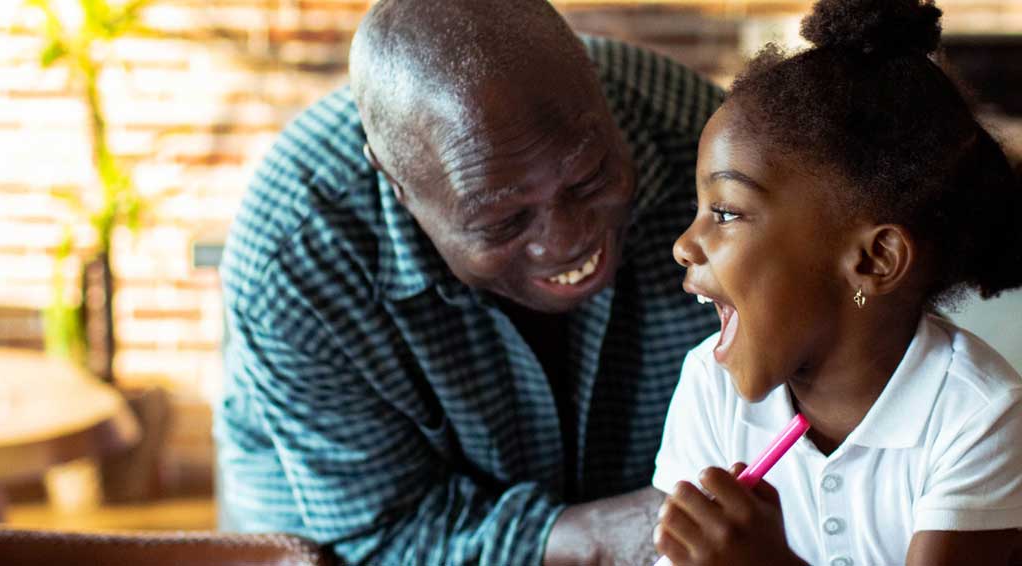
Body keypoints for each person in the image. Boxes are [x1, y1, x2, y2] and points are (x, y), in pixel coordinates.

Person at [217, 0, 725, 562]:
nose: (566, 241)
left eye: (588, 178)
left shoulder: (706, 150)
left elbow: (844, 302)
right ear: (397, 185)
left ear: (597, 93)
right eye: (502, 220)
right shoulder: (298, 254)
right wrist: (616, 534)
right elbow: (378, 536)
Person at [652, 0, 1022, 564]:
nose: (684, 244)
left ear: (874, 261)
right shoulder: (710, 386)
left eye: (725, 213)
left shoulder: (979, 416)